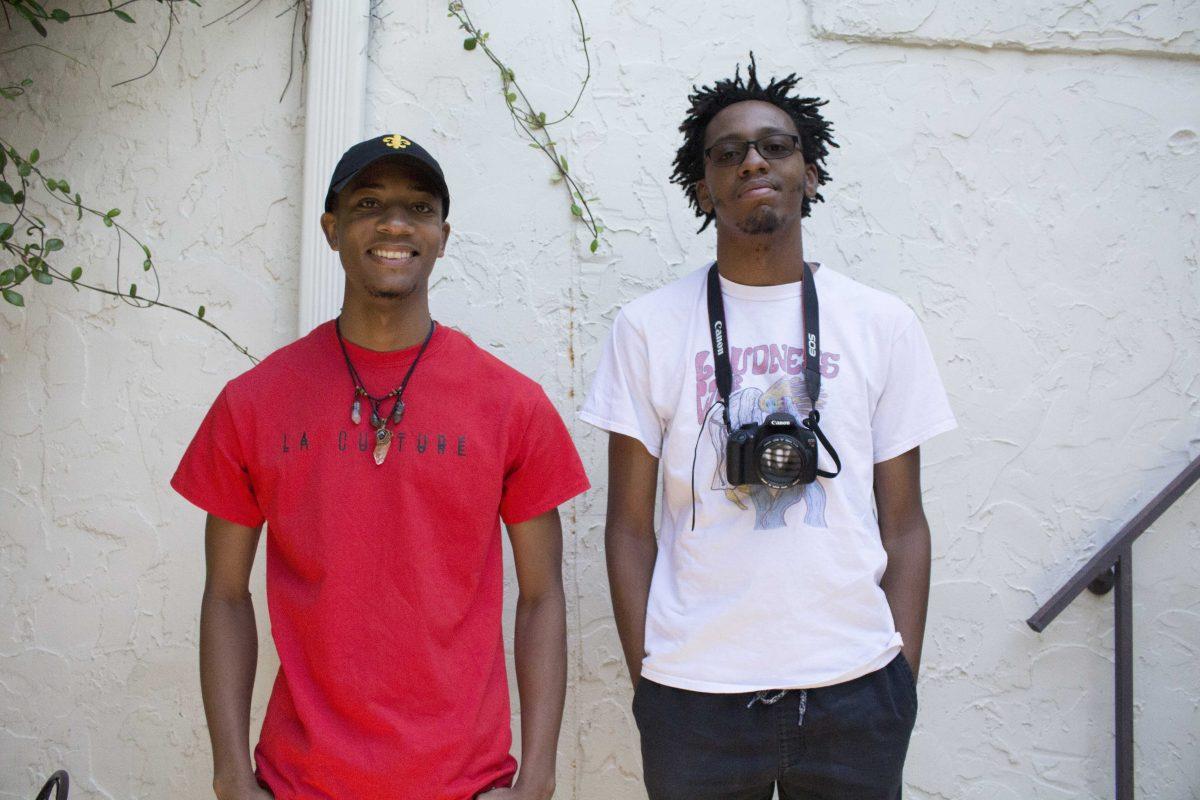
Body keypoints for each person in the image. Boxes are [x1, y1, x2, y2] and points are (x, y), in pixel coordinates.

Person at [581, 55, 956, 799]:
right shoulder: (648, 328)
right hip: (693, 693)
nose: (753, 159)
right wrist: (652, 681)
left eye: (776, 145)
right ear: (703, 187)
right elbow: (627, 527)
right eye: (728, 152)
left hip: (856, 687)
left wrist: (899, 678)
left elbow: (905, 522)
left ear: (810, 174)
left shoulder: (881, 322)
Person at [173, 134, 589, 800]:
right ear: (332, 228)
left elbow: (542, 597)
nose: (396, 223)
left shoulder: (512, 405)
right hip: (300, 781)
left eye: (418, 207)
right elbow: (225, 594)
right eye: (370, 203)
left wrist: (536, 779)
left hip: (466, 782)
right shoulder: (254, 403)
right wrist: (230, 776)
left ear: (443, 236)